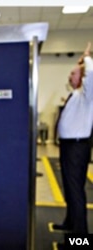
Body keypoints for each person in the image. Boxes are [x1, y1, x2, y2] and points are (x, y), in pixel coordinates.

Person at [52, 42, 93, 248]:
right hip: (69, 146)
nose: (70, 76)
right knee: (69, 188)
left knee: (76, 191)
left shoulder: (88, 95)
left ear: (84, 77)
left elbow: (91, 74)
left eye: (73, 74)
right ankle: (70, 223)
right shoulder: (77, 95)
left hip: (77, 147)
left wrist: (86, 56)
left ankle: (80, 240)